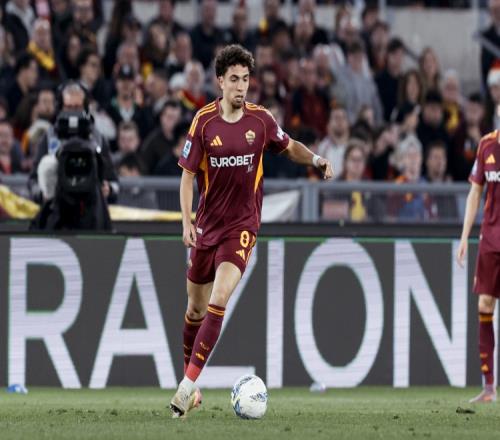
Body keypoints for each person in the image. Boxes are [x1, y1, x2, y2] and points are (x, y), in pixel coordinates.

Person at [170, 44, 333, 418]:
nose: (241, 87)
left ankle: (185, 387)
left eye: (245, 79)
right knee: (194, 309)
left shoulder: (260, 121)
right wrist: (186, 221)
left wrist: (316, 159)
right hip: (207, 228)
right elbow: (187, 175)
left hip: (241, 227)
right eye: (234, 79)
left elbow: (288, 146)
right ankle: (190, 384)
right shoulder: (203, 122)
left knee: (219, 298)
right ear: (220, 82)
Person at [457, 129, 500, 403]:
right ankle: (489, 386)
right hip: (491, 237)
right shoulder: (486, 144)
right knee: (484, 304)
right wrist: (464, 237)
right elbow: (475, 193)